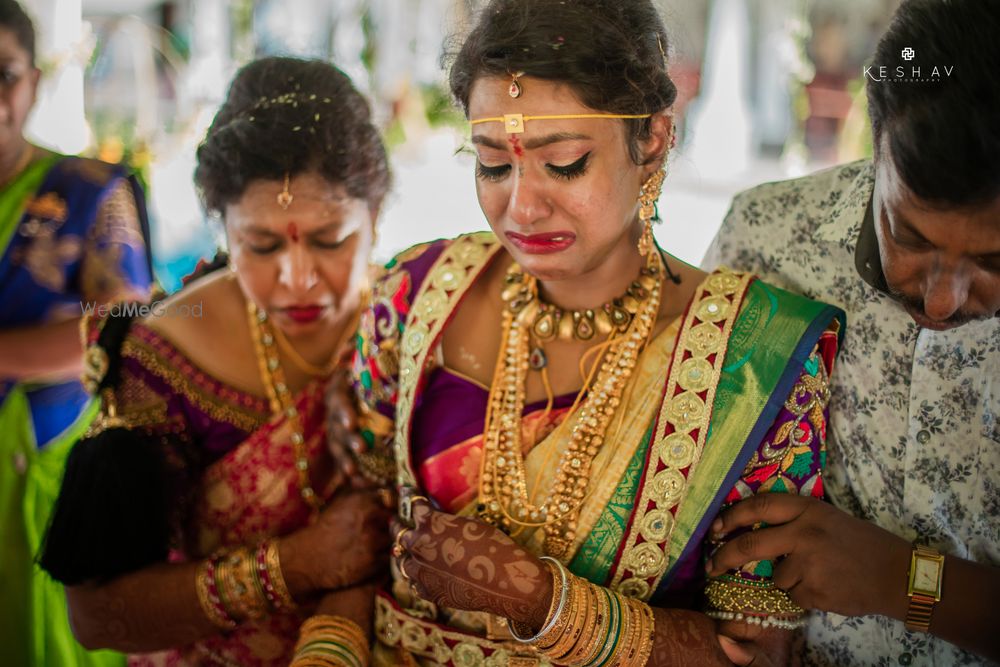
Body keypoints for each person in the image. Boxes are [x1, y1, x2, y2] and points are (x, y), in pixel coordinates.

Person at [349, 1, 845, 664]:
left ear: (654, 141)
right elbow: (351, 531)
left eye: (565, 163)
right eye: (493, 164)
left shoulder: (756, 358)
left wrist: (541, 603)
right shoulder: (416, 293)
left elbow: (756, 652)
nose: (521, 206)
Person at [39, 56, 392, 666]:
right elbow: (97, 615)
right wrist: (299, 563)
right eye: (261, 244)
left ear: (377, 217)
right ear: (224, 230)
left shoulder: (421, 318)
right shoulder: (167, 355)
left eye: (331, 240)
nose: (298, 279)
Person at [702, 1, 1000, 665]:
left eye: (995, 261)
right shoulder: (768, 240)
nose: (943, 298)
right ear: (877, 143)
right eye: (910, 236)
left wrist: (905, 581)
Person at [0, 1, 154, 665]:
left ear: (32, 81)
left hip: (44, 463)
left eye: (2, 74)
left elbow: (123, 325)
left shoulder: (90, 191)